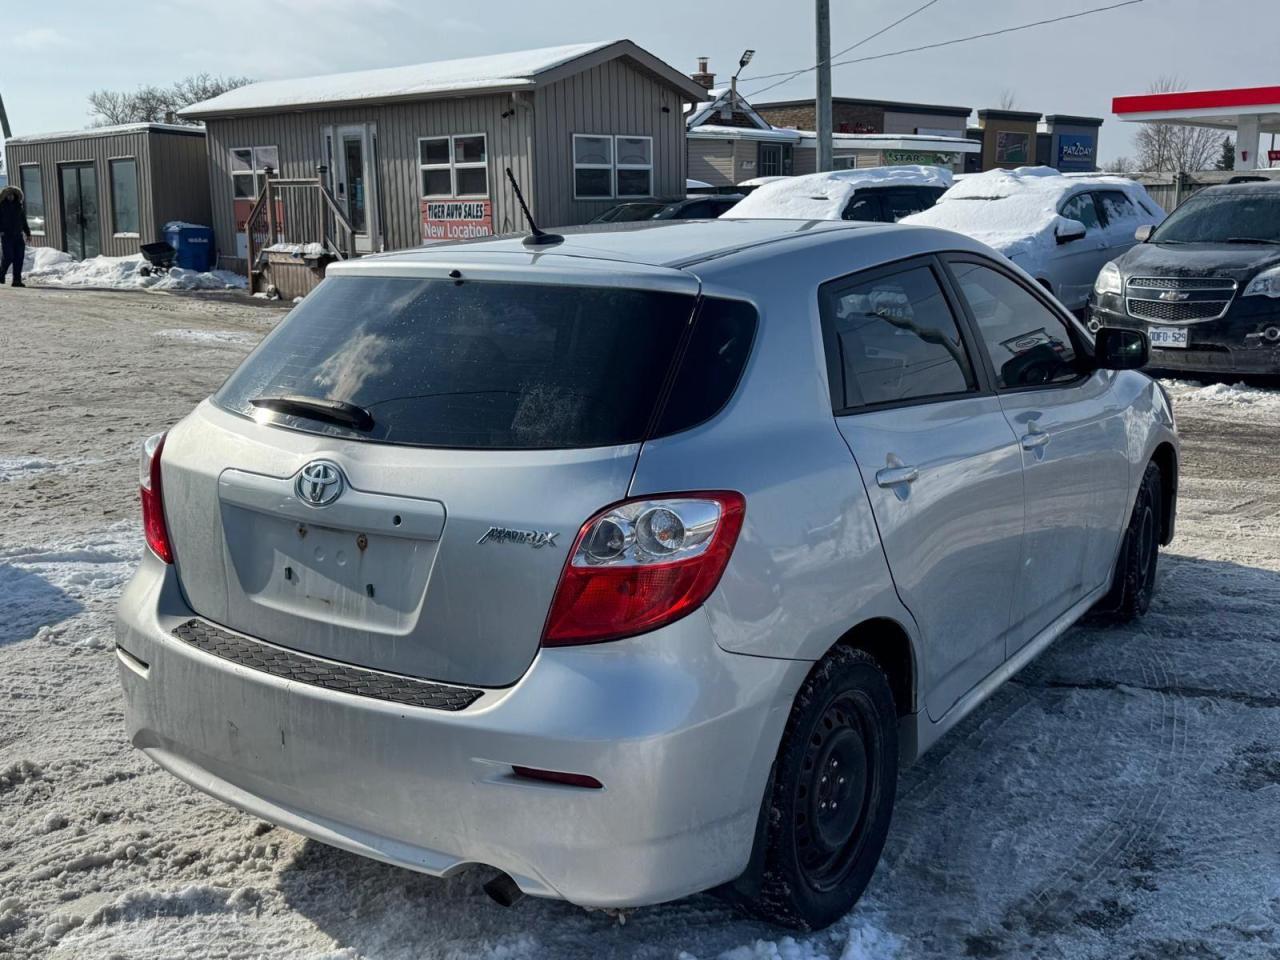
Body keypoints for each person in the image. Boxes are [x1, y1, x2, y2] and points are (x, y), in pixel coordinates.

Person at [0, 184, 33, 287]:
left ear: (16, 196)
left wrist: (28, 233)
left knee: (19, 258)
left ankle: (17, 280)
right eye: (8, 195)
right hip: (6, 236)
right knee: (8, 257)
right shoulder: (1, 207)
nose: (10, 197)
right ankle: (1, 273)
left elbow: (23, 221)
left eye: (12, 195)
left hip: (18, 236)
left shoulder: (19, 207)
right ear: (5, 196)